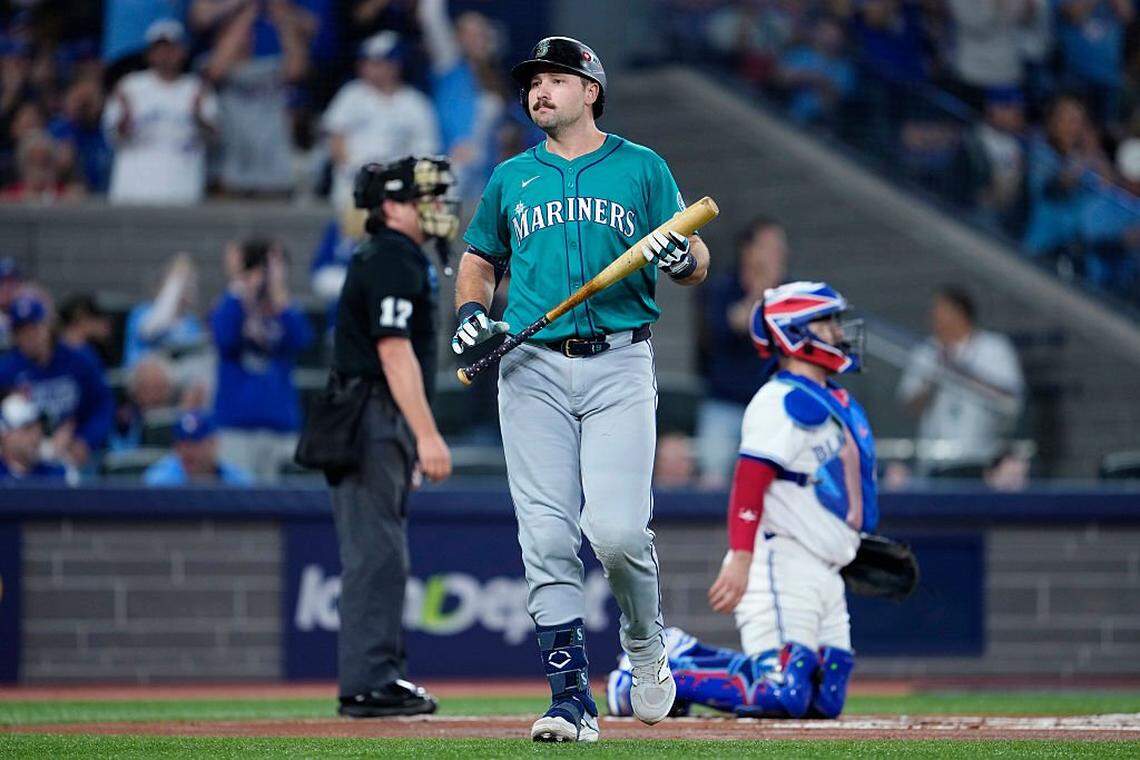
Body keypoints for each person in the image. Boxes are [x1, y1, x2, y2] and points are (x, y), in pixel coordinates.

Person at [451, 36, 711, 743]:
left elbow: (696, 263)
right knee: (545, 537)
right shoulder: (511, 177)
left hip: (620, 364)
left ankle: (645, 640)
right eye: (533, 81)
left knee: (619, 533)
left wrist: (681, 251)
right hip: (529, 365)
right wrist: (474, 315)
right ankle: (571, 699)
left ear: (590, 90)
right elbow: (477, 257)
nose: (539, 90)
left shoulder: (642, 167)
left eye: (556, 79)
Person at [607, 281, 874, 720]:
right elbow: (749, 481)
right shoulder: (779, 400)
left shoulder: (832, 398)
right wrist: (741, 556)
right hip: (783, 560)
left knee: (824, 700)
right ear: (794, 333)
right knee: (782, 693)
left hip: (826, 567)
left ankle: (680, 652)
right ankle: (649, 680)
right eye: (826, 322)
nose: (838, 332)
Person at [310, 157, 455, 718]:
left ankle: (380, 676)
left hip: (377, 417)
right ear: (392, 206)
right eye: (425, 199)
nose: (438, 208)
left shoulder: (397, 256)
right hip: (369, 415)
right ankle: (370, 680)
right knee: (375, 554)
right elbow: (393, 351)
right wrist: (426, 436)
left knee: (384, 553)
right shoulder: (391, 255)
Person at [211, 238, 313, 483]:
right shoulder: (231, 305)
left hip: (279, 425)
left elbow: (303, 340)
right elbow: (223, 337)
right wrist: (240, 286)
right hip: (236, 427)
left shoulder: (285, 310)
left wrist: (278, 293)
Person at [695, 217, 786, 489]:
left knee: (774, 481)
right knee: (712, 479)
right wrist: (761, 288)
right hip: (724, 401)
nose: (778, 254)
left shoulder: (788, 290)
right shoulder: (723, 286)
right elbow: (731, 324)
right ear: (748, 250)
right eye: (769, 247)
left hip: (769, 403)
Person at [897, 286, 1024, 474]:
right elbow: (909, 406)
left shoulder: (994, 348)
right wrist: (934, 379)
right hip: (936, 460)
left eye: (940, 312)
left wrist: (963, 375)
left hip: (981, 458)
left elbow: (1011, 399)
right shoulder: (926, 352)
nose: (933, 318)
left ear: (960, 313)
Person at [194, 0, 311, 197]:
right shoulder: (206, 65)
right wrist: (248, 12)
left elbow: (297, 68)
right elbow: (216, 71)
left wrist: (281, 16)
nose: (244, 36)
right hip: (230, 178)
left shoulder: (269, 68)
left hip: (274, 178)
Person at [103, 19, 218, 205]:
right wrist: (125, 119)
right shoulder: (129, 86)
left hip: (183, 190)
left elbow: (213, 139)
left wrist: (198, 117)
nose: (165, 54)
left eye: (171, 48)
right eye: (159, 48)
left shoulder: (197, 88)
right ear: (149, 54)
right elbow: (114, 137)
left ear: (183, 52)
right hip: (133, 191)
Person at [321, 31, 440, 209]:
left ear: (395, 65)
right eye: (366, 62)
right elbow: (336, 139)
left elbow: (427, 149)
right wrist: (355, 171)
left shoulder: (415, 102)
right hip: (353, 186)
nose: (368, 68)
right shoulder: (352, 94)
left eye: (377, 63)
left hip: (399, 190)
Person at [0, 295, 114, 469]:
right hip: (28, 456)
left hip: (77, 450)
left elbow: (103, 405)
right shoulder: (7, 371)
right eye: (22, 332)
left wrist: (85, 440)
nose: (29, 337)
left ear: (47, 327)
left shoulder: (79, 360)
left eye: (34, 329)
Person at [144, 408, 252, 485]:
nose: (186, 452)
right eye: (181, 445)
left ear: (213, 443)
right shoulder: (158, 482)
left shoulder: (238, 482)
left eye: (194, 444)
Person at [0, 393, 68, 482]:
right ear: (5, 434)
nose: (36, 435)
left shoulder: (57, 474)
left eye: (40, 428)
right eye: (27, 428)